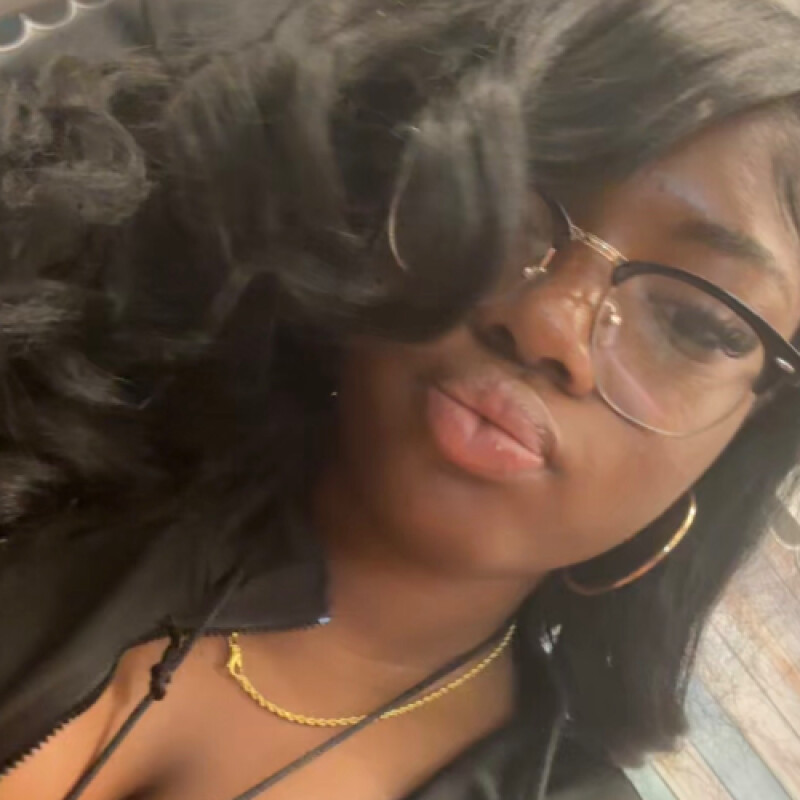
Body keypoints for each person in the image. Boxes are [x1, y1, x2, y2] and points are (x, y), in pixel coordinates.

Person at [1, 0, 800, 798]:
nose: (549, 323)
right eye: (512, 202)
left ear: (746, 434)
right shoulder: (70, 374)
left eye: (696, 324)